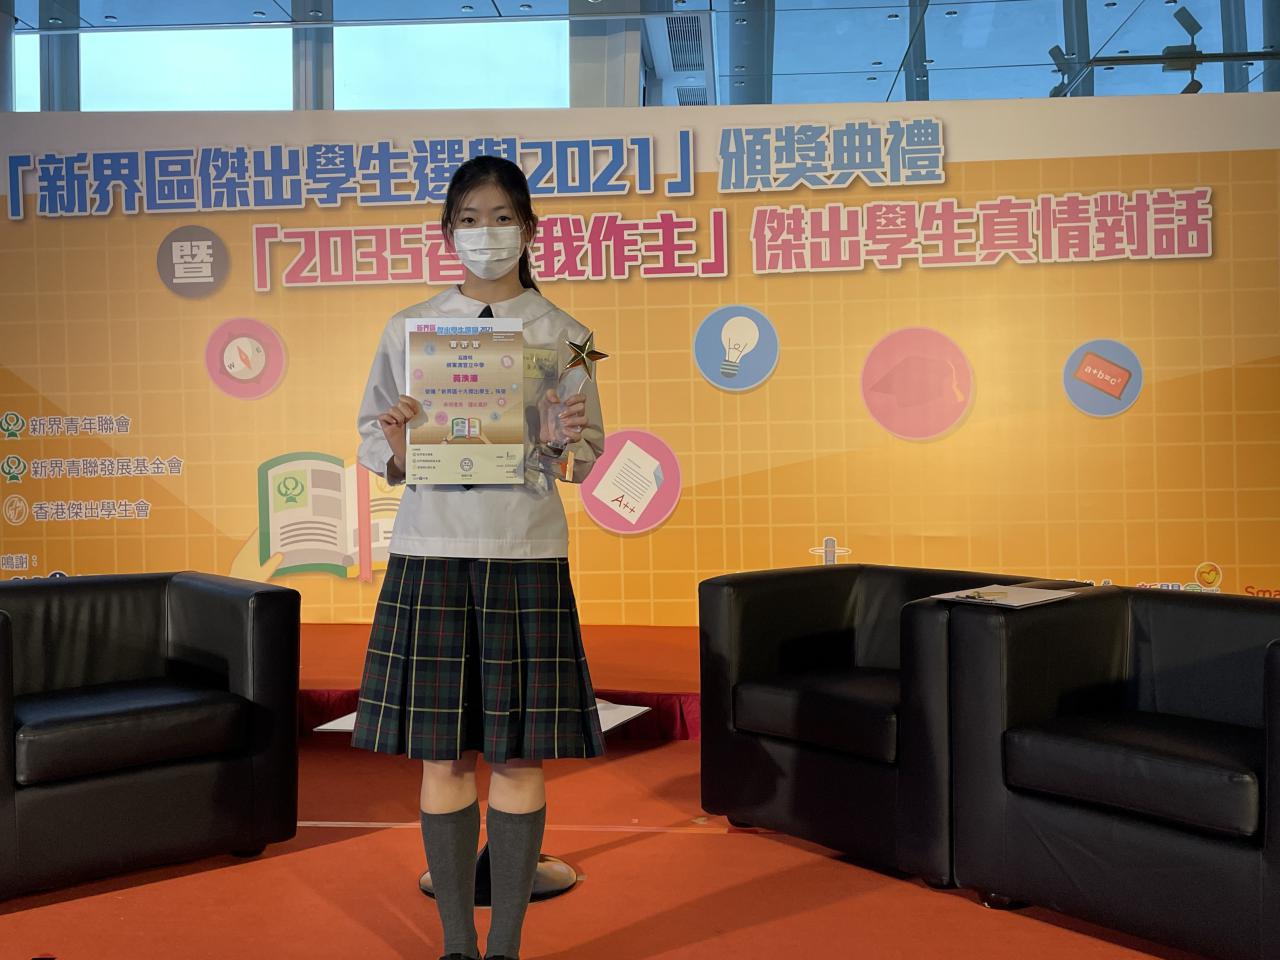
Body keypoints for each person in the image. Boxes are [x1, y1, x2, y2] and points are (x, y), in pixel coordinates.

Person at [351, 155, 607, 960]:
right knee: (444, 757)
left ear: (529, 229)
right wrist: (397, 442)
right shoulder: (411, 327)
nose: (485, 234)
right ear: (447, 233)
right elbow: (371, 439)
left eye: (500, 218)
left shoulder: (566, 336)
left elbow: (583, 459)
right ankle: (459, 945)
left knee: (521, 758)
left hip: (524, 551)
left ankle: (507, 948)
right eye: (469, 220)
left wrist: (563, 440)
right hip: (431, 550)